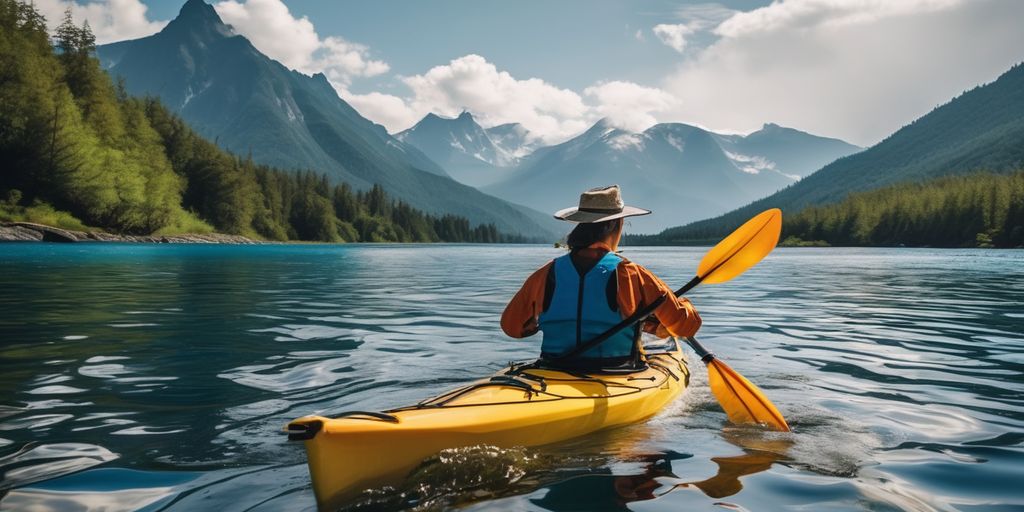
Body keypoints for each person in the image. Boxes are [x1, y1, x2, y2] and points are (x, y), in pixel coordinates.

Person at [501, 185, 701, 369]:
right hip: (616, 371)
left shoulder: (546, 273)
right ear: (616, 224)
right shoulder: (631, 274)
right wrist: (683, 305)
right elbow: (685, 326)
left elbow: (512, 327)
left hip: (553, 367)